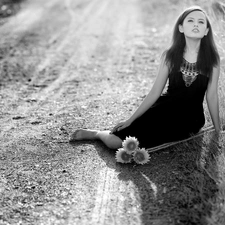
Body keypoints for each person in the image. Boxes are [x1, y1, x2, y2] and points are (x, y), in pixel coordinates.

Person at [70, 6, 221, 150]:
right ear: (181, 28)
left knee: (141, 144)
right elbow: (155, 92)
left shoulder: (212, 59)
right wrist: (130, 120)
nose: (196, 24)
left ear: (206, 30)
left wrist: (218, 129)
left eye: (201, 22)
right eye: (190, 20)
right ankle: (97, 133)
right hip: (163, 112)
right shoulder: (170, 56)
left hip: (190, 121)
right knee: (114, 142)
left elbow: (212, 96)